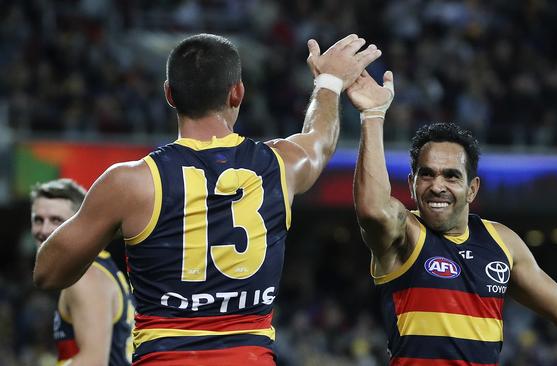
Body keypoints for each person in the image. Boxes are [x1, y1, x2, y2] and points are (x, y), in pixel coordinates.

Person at [33, 33, 382, 365]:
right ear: (238, 93)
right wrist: (329, 83)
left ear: (169, 94)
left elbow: (48, 273)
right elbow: (319, 140)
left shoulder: (130, 183)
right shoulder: (281, 165)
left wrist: (109, 223)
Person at [345, 71, 557, 365]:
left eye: (451, 176)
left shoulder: (502, 242)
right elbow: (372, 208)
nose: (437, 185)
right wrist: (373, 116)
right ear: (412, 183)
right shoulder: (403, 235)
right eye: (427, 175)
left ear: (472, 189)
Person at [30, 179, 134, 365]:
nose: (44, 230)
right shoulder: (97, 267)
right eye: (38, 220)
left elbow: (93, 362)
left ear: (79, 226)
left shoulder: (85, 277)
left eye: (56, 220)